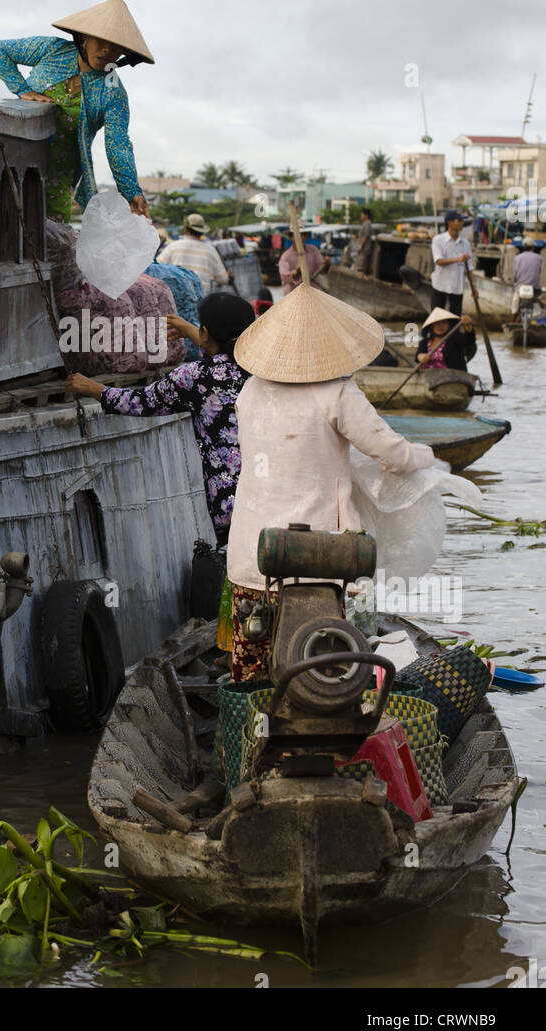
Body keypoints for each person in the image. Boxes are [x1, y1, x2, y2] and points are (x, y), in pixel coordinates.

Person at [226, 281, 435, 682]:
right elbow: (393, 454)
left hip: (252, 552)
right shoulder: (339, 392)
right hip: (316, 557)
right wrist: (429, 458)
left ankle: (252, 735)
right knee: (323, 668)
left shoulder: (250, 390)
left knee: (253, 670)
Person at [66, 293, 256, 549]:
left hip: (231, 503)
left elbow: (142, 401)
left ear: (206, 332)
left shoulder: (194, 376)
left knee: (239, 567)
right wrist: (192, 331)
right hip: (269, 492)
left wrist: (93, 389)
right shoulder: (262, 368)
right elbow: (225, 355)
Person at [0, 0, 153, 223]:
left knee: (46, 241)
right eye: (101, 41)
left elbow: (118, 145)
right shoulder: (52, 50)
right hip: (9, 161)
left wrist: (132, 191)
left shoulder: (114, 93)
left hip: (56, 180)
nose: (107, 50)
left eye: (116, 47)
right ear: (84, 36)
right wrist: (22, 90)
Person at [157, 213, 233, 293]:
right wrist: (228, 276)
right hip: (201, 298)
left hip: (177, 297)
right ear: (202, 231)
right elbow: (223, 279)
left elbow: (157, 268)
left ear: (186, 229)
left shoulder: (173, 246)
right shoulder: (210, 250)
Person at [430, 209, 472, 315]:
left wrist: (474, 289)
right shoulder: (438, 240)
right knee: (437, 317)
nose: (462, 223)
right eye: (459, 220)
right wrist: (458, 259)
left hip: (457, 287)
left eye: (462, 220)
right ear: (450, 223)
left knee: (455, 319)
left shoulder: (465, 243)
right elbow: (438, 261)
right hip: (441, 285)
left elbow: (469, 269)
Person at [511, 238, 544, 317]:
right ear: (533, 247)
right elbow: (539, 271)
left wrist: (515, 281)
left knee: (515, 301)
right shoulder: (539, 258)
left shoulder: (517, 258)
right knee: (537, 300)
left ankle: (513, 314)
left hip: (520, 286)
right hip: (534, 287)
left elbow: (515, 273)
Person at [355, 207, 373, 273]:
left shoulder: (367, 224)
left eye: (362, 214)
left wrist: (360, 246)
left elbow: (365, 236)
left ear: (366, 215)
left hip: (364, 249)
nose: (361, 216)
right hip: (363, 249)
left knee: (360, 267)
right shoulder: (365, 224)